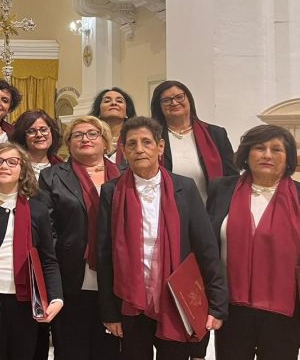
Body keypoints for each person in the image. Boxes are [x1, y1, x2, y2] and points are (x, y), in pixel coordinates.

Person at [96, 116, 227, 360]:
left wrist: (218, 304)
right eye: (131, 144)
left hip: (174, 300)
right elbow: (104, 255)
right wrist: (110, 312)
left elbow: (206, 249)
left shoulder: (184, 188)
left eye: (146, 142)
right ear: (123, 150)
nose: (139, 149)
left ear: (160, 147)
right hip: (131, 301)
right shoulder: (111, 191)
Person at [206, 124, 300, 360]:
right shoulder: (222, 189)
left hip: (286, 310)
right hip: (231, 307)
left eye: (276, 149)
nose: (267, 155)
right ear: (246, 154)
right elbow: (207, 245)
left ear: (288, 157)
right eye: (259, 148)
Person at [0, 143, 63, 359]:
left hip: (26, 298)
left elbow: (48, 259)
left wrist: (56, 297)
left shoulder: (37, 210)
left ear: (23, 171)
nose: (4, 166)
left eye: (12, 162)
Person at [36, 116, 122, 360]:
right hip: (72, 274)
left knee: (111, 350)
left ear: (105, 142)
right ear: (69, 143)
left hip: (118, 276)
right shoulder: (52, 176)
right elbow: (46, 228)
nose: (85, 138)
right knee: (72, 347)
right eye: (78, 135)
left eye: (92, 134)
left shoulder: (125, 175)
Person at [150, 80, 238, 204]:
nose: (174, 103)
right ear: (159, 106)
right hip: (165, 209)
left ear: (189, 99)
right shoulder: (152, 137)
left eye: (179, 97)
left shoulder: (216, 134)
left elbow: (232, 177)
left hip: (210, 211)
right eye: (166, 100)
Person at [11, 109, 63, 177]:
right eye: (31, 131)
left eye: (43, 130)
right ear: (22, 136)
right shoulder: (13, 167)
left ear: (52, 132)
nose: (39, 135)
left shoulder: (63, 168)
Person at [90, 87, 136, 164]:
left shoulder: (134, 139)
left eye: (119, 101)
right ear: (99, 112)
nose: (114, 103)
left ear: (127, 113)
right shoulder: (89, 139)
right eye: (107, 101)